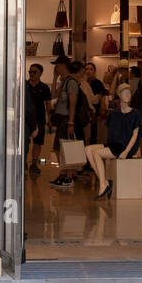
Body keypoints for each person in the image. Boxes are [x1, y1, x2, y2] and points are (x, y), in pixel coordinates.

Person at [83, 83, 142, 200]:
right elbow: (111, 133)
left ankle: (102, 186)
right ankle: (105, 182)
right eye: (125, 93)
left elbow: (135, 135)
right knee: (87, 149)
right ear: (119, 95)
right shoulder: (115, 114)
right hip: (113, 145)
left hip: (125, 147)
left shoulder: (135, 114)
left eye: (129, 92)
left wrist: (126, 151)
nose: (128, 95)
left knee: (97, 153)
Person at [48, 56, 79, 187]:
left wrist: (71, 122)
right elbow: (53, 95)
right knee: (60, 148)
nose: (56, 68)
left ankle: (69, 177)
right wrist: (54, 78)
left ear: (63, 65)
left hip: (67, 119)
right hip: (62, 119)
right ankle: (63, 174)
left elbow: (73, 103)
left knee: (67, 148)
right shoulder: (65, 81)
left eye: (57, 65)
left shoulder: (71, 82)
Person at [26, 63, 51, 176]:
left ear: (40, 73)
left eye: (34, 72)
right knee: (24, 141)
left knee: (38, 142)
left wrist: (49, 118)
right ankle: (23, 162)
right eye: (30, 72)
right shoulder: (24, 86)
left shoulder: (44, 88)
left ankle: (34, 163)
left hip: (40, 118)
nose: (31, 74)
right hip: (25, 118)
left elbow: (48, 104)